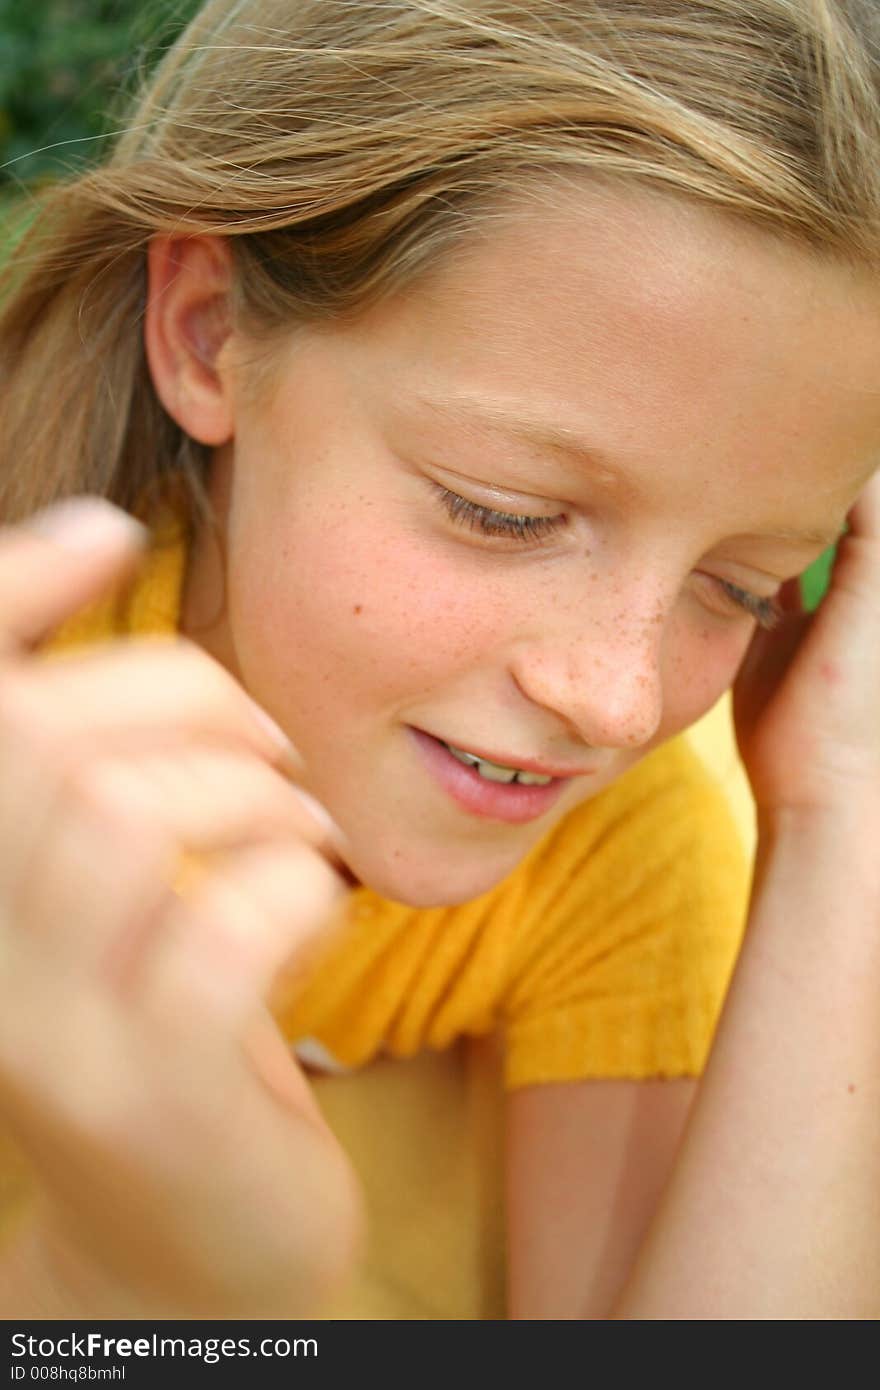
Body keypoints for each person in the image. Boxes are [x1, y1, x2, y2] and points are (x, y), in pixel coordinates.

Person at [0, 0, 878, 1320]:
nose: (618, 699)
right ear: (205, 332)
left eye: (742, 586)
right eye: (503, 512)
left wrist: (846, 813)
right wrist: (131, 1277)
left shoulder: (642, 828)